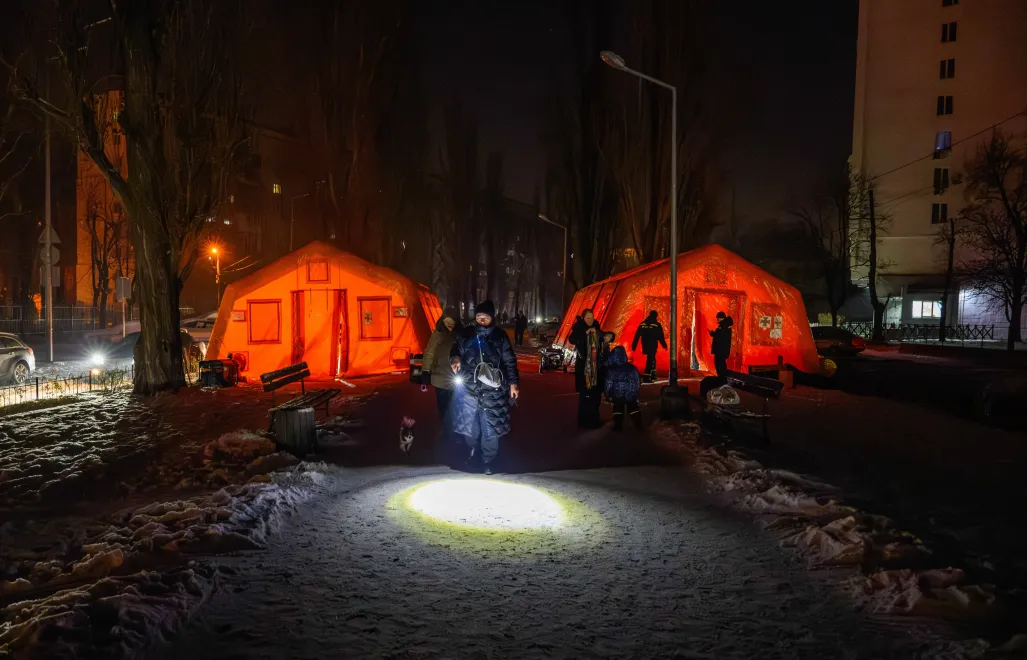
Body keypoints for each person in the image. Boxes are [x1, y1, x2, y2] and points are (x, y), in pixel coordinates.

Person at [449, 300, 520, 475]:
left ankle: (489, 461)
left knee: (490, 427)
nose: (481, 321)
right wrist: (455, 358)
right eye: (479, 317)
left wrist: (513, 383)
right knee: (470, 428)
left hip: (493, 391)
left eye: (485, 318)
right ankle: (474, 455)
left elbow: (509, 361)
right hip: (469, 389)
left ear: (492, 318)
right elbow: (455, 350)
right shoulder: (466, 335)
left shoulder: (500, 336)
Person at [421, 308, 461, 455]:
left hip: (456, 377)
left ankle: (455, 432)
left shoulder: (460, 335)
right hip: (439, 377)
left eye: (452, 322)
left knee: (456, 406)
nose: (450, 325)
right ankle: (446, 432)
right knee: (444, 407)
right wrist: (426, 371)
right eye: (447, 322)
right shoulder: (437, 335)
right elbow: (429, 352)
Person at [569, 308, 604, 428]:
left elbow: (603, 335)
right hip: (584, 365)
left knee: (595, 394)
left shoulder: (596, 325)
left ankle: (594, 418)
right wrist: (585, 334)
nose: (590, 320)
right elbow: (572, 339)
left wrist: (607, 335)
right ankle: (583, 420)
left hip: (596, 365)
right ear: (583, 318)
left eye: (592, 317)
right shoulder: (578, 327)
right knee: (585, 394)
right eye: (588, 317)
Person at [604, 345, 642, 431]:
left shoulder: (612, 370)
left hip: (617, 394)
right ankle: (638, 425)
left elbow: (608, 383)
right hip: (631, 394)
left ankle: (618, 426)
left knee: (618, 409)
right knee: (634, 409)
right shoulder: (632, 368)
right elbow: (637, 381)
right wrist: (636, 392)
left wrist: (607, 394)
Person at [632, 310, 667, 383]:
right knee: (650, 360)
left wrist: (634, 345)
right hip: (652, 344)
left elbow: (637, 335)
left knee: (652, 358)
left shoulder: (642, 324)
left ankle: (653, 375)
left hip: (645, 344)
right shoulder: (657, 324)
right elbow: (660, 336)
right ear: (655, 316)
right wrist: (664, 345)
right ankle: (646, 377)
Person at [709, 311, 733, 377]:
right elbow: (719, 335)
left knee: (720, 365)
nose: (717, 320)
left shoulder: (725, 326)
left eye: (718, 318)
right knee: (720, 364)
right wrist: (713, 333)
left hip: (721, 350)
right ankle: (722, 378)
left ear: (722, 318)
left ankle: (722, 378)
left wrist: (714, 333)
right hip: (721, 349)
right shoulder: (724, 325)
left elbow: (721, 336)